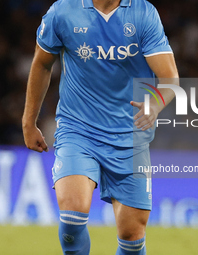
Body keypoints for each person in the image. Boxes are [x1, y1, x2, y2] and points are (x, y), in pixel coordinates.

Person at [22, 0, 179, 254]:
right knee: (73, 214)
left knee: (132, 237)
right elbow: (42, 63)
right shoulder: (63, 11)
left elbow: (170, 78)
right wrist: (29, 122)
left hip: (130, 136)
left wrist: (155, 104)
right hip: (78, 130)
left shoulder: (143, 13)